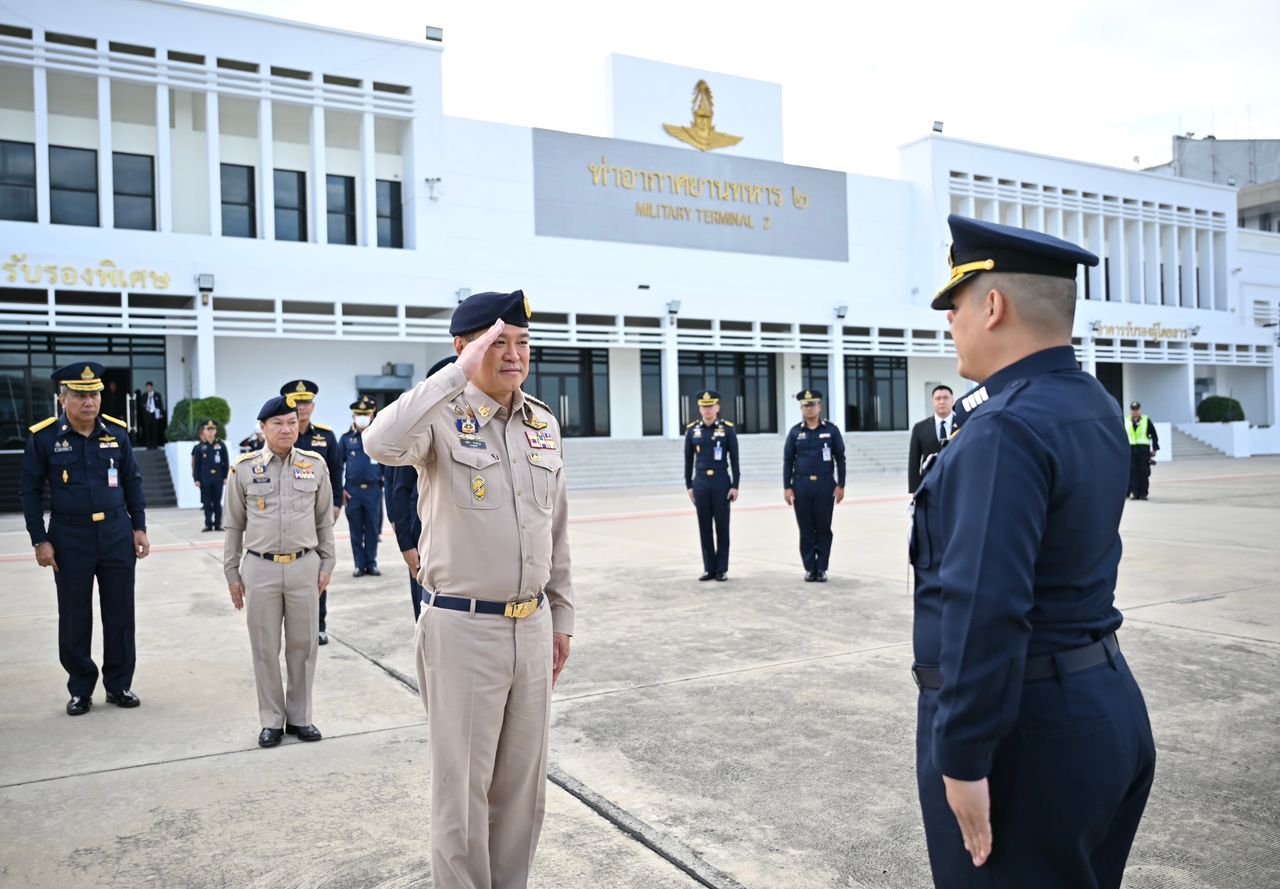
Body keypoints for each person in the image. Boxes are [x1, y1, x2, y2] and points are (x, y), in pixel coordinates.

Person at [910, 214, 1156, 888]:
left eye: (957, 303)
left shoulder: (1004, 427)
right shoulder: (1090, 402)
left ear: (993, 306)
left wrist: (962, 757)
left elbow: (985, 607)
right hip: (1102, 704)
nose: (949, 320)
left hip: (1023, 736)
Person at [363, 290, 574, 889]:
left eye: (521, 343)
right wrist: (455, 374)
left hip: (531, 627)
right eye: (496, 343)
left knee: (522, 792)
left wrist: (561, 618)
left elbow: (555, 530)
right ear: (463, 347)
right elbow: (380, 442)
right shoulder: (439, 417)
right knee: (462, 793)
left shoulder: (542, 423)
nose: (513, 355)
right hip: (463, 627)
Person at [19, 362, 150, 716]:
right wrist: (39, 540)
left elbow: (132, 481)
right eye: (79, 395)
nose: (89, 402)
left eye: (93, 394)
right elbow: (30, 491)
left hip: (116, 533)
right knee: (75, 614)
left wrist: (139, 527)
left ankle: (119, 684)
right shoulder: (44, 438)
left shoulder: (117, 433)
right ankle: (80, 688)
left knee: (120, 612)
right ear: (63, 399)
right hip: (69, 537)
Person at [222, 395, 335, 748]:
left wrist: (328, 562)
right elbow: (234, 525)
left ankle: (300, 717)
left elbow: (324, 519)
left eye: (291, 422)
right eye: (277, 424)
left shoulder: (315, 465)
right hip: (260, 568)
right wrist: (231, 573)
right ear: (263, 428)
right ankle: (271, 720)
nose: (286, 429)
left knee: (303, 646)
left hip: (304, 566)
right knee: (264, 647)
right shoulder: (243, 469)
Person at [388, 356, 457, 621]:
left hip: (465, 543)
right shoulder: (421, 432)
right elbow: (400, 491)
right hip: (424, 535)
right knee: (427, 610)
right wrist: (406, 545)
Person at [278, 379, 342, 644]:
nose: (302, 408)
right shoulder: (282, 436)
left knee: (319, 566)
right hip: (287, 513)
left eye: (306, 403)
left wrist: (336, 504)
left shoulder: (325, 437)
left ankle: (318, 625)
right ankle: (292, 626)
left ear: (313, 406)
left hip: (318, 513)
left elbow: (336, 471)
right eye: (297, 403)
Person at [782, 389, 846, 582]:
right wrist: (787, 487)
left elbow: (840, 458)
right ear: (801, 408)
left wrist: (841, 484)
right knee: (806, 528)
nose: (808, 409)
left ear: (819, 407)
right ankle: (810, 568)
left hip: (825, 484)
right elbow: (788, 460)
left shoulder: (831, 430)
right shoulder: (795, 432)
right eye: (805, 406)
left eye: (812, 405)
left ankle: (822, 568)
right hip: (801, 485)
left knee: (824, 527)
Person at [683, 389, 739, 581]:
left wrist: (735, 485)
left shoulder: (727, 429)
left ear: (717, 407)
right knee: (704, 527)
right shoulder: (692, 430)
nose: (707, 409)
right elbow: (688, 460)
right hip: (700, 483)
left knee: (722, 527)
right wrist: (689, 485)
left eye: (710, 406)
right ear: (699, 408)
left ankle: (721, 569)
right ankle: (709, 568)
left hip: (721, 482)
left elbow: (735, 459)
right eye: (704, 406)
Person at [339, 395, 385, 577]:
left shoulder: (379, 438)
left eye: (366, 414)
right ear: (353, 416)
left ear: (372, 415)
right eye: (359, 414)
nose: (363, 418)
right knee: (356, 529)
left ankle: (371, 563)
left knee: (372, 528)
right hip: (353, 491)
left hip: (374, 490)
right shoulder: (346, 439)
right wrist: (340, 490)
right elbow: (337, 466)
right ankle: (359, 564)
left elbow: (387, 464)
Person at [908, 385, 960, 494]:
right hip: (929, 485)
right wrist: (915, 490)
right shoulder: (920, 428)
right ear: (932, 402)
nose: (942, 401)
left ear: (952, 401)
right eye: (938, 398)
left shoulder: (963, 424)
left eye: (945, 398)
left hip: (957, 483)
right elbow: (914, 461)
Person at [192, 419, 230, 532]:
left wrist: (225, 477)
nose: (210, 432)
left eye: (212, 429)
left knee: (217, 502)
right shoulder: (200, 447)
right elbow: (196, 465)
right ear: (203, 431)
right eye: (208, 429)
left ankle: (218, 524)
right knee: (207, 502)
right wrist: (196, 479)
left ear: (216, 431)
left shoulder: (221, 445)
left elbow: (226, 462)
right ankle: (208, 524)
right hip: (205, 478)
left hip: (218, 477)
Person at [1126, 401, 1159, 500]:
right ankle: (1135, 493)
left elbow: (1154, 434)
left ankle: (1143, 493)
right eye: (1133, 410)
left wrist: (1155, 448)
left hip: (1143, 450)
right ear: (1131, 411)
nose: (1135, 411)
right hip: (1131, 449)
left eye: (1137, 409)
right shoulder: (1126, 421)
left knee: (1143, 472)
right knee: (1133, 472)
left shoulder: (1145, 420)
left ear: (1140, 410)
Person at [138, 381, 165, 449]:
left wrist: (161, 413)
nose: (148, 388)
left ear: (152, 387)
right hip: (147, 414)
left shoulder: (157, 394)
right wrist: (144, 405)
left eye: (149, 387)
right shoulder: (144, 395)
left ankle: (155, 444)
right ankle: (148, 445)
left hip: (155, 413)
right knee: (147, 429)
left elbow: (160, 404)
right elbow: (141, 403)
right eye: (147, 387)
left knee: (155, 429)